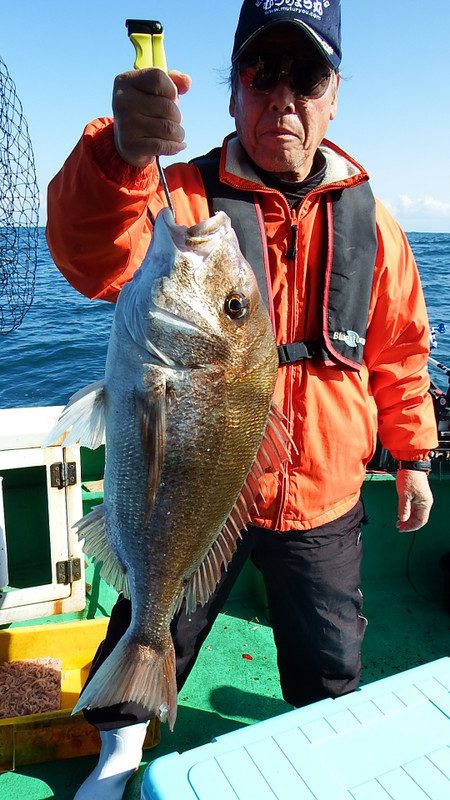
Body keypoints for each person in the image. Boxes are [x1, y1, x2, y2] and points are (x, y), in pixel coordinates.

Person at [46, 2, 438, 798]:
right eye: (262, 73)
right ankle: (118, 751)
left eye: (308, 76)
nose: (283, 97)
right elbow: (89, 256)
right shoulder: (177, 202)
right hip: (196, 488)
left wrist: (415, 456)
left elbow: (400, 350)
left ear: (334, 97)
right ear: (231, 95)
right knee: (152, 620)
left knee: (329, 666)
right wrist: (121, 156)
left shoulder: (378, 225)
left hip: (323, 499)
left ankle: (318, 742)